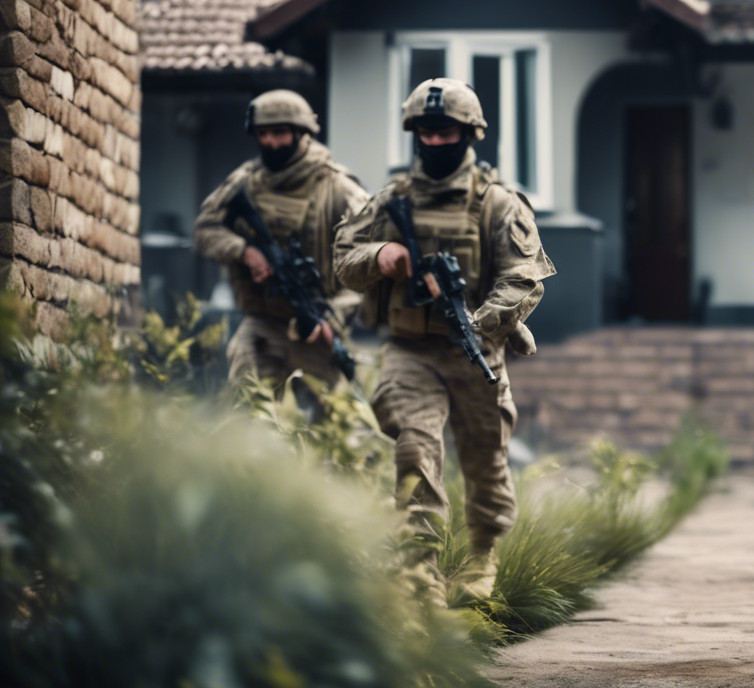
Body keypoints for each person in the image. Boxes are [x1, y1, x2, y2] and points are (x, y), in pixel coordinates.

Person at [333, 78, 555, 602]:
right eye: (426, 132)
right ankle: (420, 570)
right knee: (415, 447)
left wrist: (481, 321)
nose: (435, 142)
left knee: (484, 458)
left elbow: (524, 278)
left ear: (470, 133)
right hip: (411, 353)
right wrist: (381, 256)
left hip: (478, 352)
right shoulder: (388, 203)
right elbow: (344, 260)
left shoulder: (499, 204)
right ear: (414, 133)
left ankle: (482, 556)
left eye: (446, 132)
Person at [193, 89, 369, 395]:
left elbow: (369, 259)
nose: (271, 142)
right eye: (263, 133)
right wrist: (245, 251)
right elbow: (205, 231)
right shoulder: (244, 182)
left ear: (301, 133)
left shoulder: (337, 187)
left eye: (280, 132)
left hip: (319, 325)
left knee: (328, 427)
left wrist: (335, 316)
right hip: (263, 324)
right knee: (246, 413)